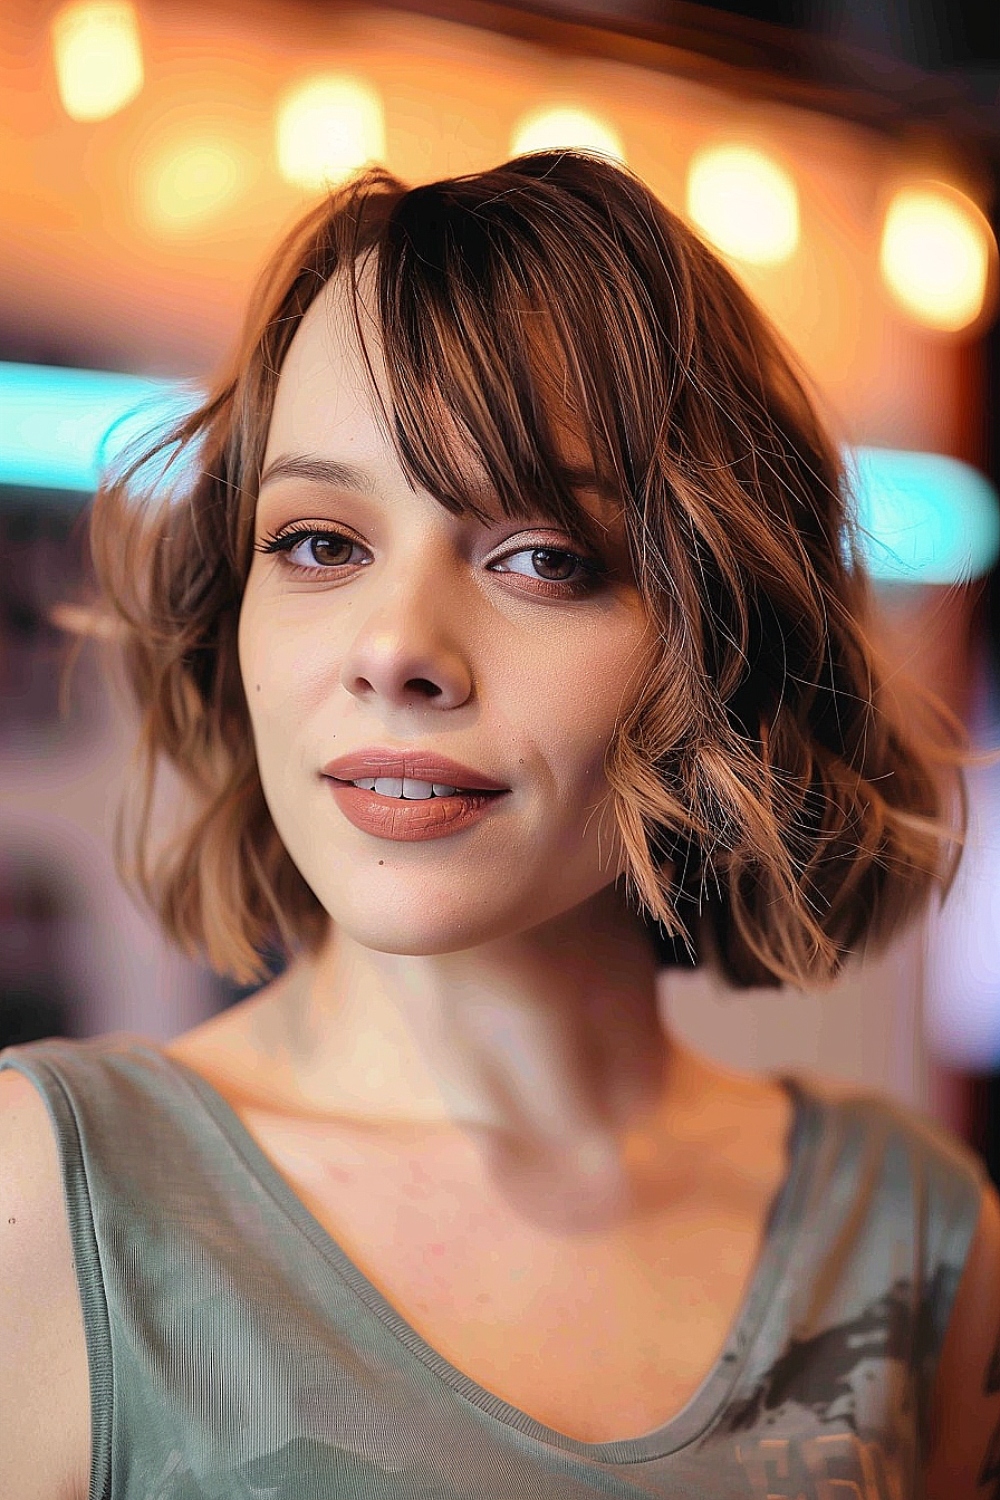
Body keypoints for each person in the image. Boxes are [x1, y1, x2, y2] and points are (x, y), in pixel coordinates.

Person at [2, 150, 998, 1500]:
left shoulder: (918, 1241)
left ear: (720, 645)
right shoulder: (45, 1206)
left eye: (543, 557)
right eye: (318, 543)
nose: (398, 649)